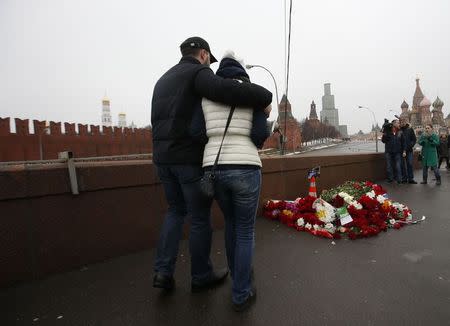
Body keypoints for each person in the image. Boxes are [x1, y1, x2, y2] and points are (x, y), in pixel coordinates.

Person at [151, 37, 272, 292]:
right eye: (209, 58)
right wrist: (264, 97)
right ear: (203, 54)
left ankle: (163, 271)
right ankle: (201, 275)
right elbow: (228, 91)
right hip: (188, 159)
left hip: (162, 158)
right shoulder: (199, 72)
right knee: (199, 218)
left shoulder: (163, 79)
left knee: (174, 211)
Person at [201, 51, 268, 311]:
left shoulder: (207, 96)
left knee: (230, 224)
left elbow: (198, 131)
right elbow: (259, 136)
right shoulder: (251, 95)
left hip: (214, 169)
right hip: (246, 167)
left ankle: (237, 277)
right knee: (245, 230)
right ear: (242, 72)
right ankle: (241, 292)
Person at [381, 119, 402, 184]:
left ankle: (399, 179)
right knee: (389, 166)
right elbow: (383, 141)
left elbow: (403, 142)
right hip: (389, 151)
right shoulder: (387, 132)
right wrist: (384, 134)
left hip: (397, 151)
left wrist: (403, 150)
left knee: (398, 166)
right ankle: (390, 179)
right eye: (398, 123)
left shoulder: (400, 132)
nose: (399, 124)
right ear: (394, 124)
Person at [399, 118, 417, 183]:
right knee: (402, 165)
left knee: (410, 164)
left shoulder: (410, 129)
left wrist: (410, 145)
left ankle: (411, 179)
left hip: (409, 150)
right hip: (401, 151)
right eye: (401, 122)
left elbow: (414, 139)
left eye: (403, 121)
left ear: (406, 122)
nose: (402, 123)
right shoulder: (399, 130)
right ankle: (404, 178)